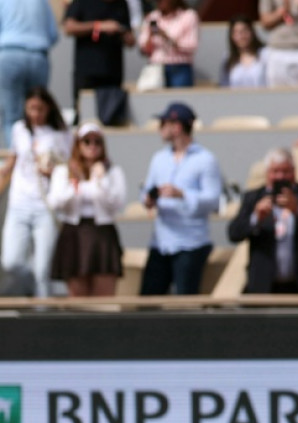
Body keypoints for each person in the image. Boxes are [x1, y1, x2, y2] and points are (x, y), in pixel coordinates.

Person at [140, 102, 223, 295]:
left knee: (185, 303)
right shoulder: (158, 158)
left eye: (163, 123)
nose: (159, 128)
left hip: (190, 243)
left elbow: (213, 200)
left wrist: (183, 194)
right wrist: (148, 199)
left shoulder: (206, 159)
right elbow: (147, 191)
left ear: (176, 127)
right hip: (160, 242)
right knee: (147, 302)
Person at [228, 148, 298, 294]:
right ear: (267, 173)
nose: (280, 176)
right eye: (275, 171)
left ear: (294, 171)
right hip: (264, 287)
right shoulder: (253, 197)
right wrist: (256, 217)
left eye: (286, 171)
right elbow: (234, 233)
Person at [0, 87, 72, 297]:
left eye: (39, 109)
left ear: (48, 108)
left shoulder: (61, 134)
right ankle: (31, 282)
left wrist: (52, 170)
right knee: (10, 261)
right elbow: (14, 161)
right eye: (31, 108)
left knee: (43, 269)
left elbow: (68, 166)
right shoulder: (19, 129)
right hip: (19, 203)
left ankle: (42, 314)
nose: (35, 114)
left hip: (45, 205)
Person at [48, 123, 126, 297]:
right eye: (87, 141)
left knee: (104, 297)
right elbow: (55, 202)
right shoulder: (63, 171)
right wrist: (75, 184)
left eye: (97, 142)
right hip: (74, 234)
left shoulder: (113, 172)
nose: (92, 146)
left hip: (102, 234)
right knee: (77, 297)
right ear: (78, 144)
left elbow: (117, 204)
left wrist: (101, 179)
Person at [63, 0, 136, 120]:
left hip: (113, 73)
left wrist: (120, 31)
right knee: (84, 116)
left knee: (112, 116)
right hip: (87, 72)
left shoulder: (121, 4)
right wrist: (98, 26)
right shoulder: (83, 2)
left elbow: (131, 41)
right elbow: (69, 27)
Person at [0, 1, 58, 148]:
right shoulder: (42, 2)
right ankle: (37, 156)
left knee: (12, 117)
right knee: (38, 112)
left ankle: (16, 159)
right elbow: (53, 35)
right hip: (38, 56)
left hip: (9, 55)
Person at [137, 0, 200, 88]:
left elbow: (191, 45)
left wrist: (165, 37)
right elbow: (144, 49)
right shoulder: (152, 17)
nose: (159, 2)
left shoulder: (188, 16)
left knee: (179, 100)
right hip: (155, 68)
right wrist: (150, 36)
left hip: (179, 68)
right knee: (154, 101)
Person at [219, 14, 267, 88]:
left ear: (252, 32)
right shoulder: (227, 58)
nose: (241, 36)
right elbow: (224, 85)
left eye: (245, 31)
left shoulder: (265, 54)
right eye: (236, 32)